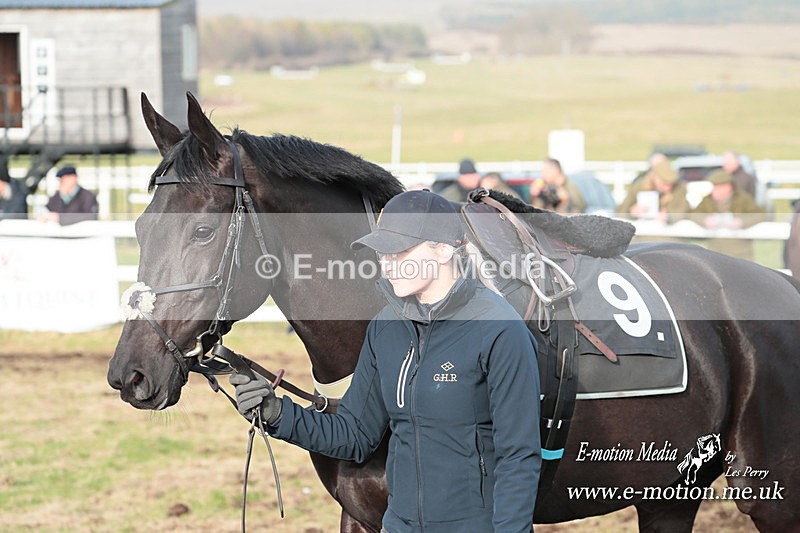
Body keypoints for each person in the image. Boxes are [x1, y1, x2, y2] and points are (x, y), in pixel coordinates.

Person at [231, 190, 542, 532]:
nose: (387, 263)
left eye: (400, 250)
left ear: (443, 249)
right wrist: (278, 413)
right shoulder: (385, 327)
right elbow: (354, 434)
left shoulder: (499, 330)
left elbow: (519, 457)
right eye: (382, 253)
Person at [691, 170, 766, 261]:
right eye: (714, 187)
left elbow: (760, 215)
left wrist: (741, 222)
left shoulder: (743, 199)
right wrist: (704, 220)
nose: (714, 191)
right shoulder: (708, 200)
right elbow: (693, 214)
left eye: (718, 187)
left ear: (728, 187)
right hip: (715, 252)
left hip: (740, 254)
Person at [617, 159, 690, 223]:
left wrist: (669, 216)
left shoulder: (678, 188)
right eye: (664, 183)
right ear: (654, 177)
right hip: (643, 234)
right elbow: (620, 211)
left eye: (671, 184)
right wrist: (631, 212)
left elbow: (685, 210)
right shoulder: (638, 188)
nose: (668, 187)